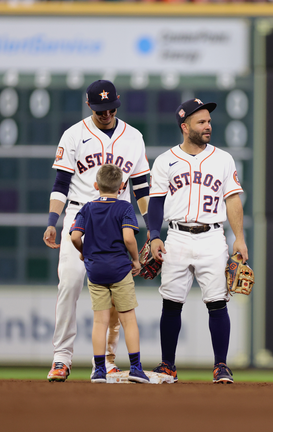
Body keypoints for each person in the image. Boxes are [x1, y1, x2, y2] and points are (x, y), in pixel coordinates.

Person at [43, 80, 151, 382]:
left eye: (111, 108)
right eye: (101, 109)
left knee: (116, 292)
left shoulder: (133, 137)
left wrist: (152, 230)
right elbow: (60, 184)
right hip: (81, 212)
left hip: (118, 216)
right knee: (70, 282)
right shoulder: (74, 134)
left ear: (117, 103)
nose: (107, 114)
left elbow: (142, 186)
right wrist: (52, 221)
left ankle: (106, 362)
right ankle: (62, 358)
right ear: (89, 105)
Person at [146, 98, 248, 384]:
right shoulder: (165, 160)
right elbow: (155, 203)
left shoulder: (223, 159)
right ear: (185, 126)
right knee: (171, 302)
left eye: (209, 121)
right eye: (201, 122)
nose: (208, 126)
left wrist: (239, 238)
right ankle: (168, 365)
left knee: (217, 302)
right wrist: (154, 235)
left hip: (212, 236)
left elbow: (232, 200)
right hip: (176, 235)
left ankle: (221, 365)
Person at [69, 164, 150, 384]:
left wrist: (84, 253)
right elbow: (129, 238)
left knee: (100, 322)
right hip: (119, 269)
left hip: (95, 271)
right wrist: (135, 259)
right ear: (122, 186)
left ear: (96, 185)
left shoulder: (87, 207)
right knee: (128, 320)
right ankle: (135, 368)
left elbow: (75, 237)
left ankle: (99, 371)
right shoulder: (124, 207)